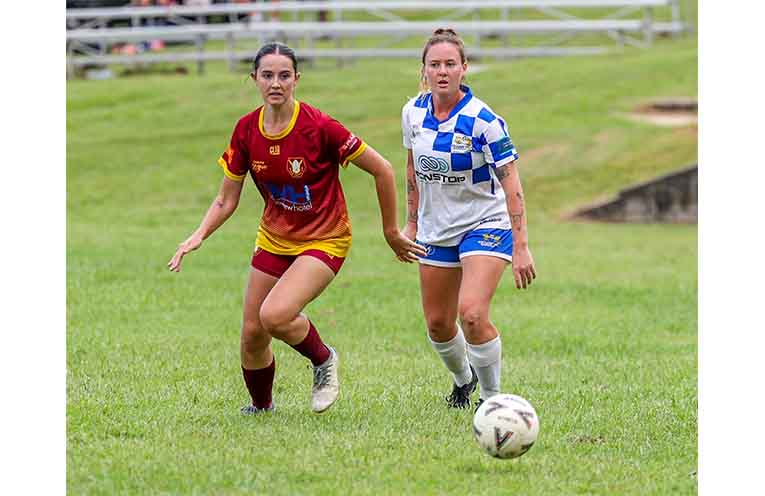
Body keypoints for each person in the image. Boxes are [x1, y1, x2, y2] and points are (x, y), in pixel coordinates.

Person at [168, 42, 425, 415]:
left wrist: (391, 232)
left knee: (274, 316)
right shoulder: (245, 130)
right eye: (267, 75)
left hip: (326, 238)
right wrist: (198, 235)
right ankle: (261, 408)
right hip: (274, 238)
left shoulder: (320, 127)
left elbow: (382, 169)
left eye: (284, 75)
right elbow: (226, 199)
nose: (276, 83)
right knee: (252, 333)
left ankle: (323, 360)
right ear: (254, 79)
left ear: (296, 80)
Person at [401, 28, 536, 411]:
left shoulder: (484, 121)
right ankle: (464, 380)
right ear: (423, 70)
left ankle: (493, 404)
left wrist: (522, 246)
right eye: (434, 64)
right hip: (436, 227)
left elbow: (512, 185)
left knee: (473, 314)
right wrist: (411, 224)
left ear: (464, 68)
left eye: (449, 64)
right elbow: (412, 171)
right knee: (439, 325)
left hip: (485, 223)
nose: (442, 71)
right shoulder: (412, 113)